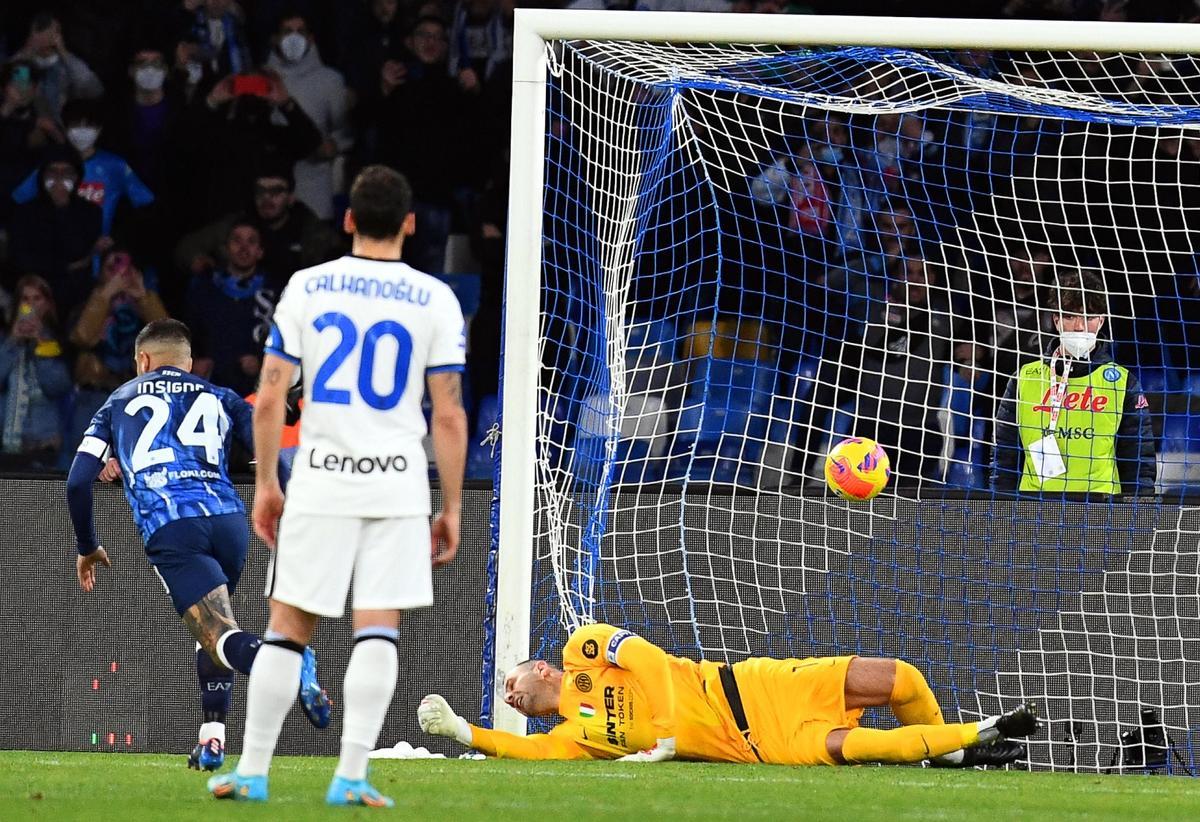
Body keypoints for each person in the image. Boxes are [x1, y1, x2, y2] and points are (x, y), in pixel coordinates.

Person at [208, 165, 468, 806]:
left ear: (348, 219)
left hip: (320, 478)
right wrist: (453, 506)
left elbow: (270, 395)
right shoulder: (435, 298)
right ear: (409, 224)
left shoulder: (307, 286)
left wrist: (267, 481)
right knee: (377, 628)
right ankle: (351, 775)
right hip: (398, 484)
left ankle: (252, 771)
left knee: (287, 627)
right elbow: (452, 413)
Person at [65, 319, 331, 773]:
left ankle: (289, 659)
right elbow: (268, 453)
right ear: (188, 364)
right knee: (211, 628)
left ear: (142, 361)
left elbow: (77, 482)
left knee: (219, 633)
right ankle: (212, 740)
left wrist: (88, 544)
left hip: (173, 527)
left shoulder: (117, 402)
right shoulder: (221, 396)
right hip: (229, 522)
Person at [417, 622, 1040, 767]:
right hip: (758, 745)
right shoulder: (573, 738)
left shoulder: (583, 650)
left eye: (512, 682)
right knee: (864, 745)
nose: (511, 694)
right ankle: (967, 739)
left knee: (898, 678)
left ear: (541, 670)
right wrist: (461, 732)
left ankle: (950, 753)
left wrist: (664, 729)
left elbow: (650, 659)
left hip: (753, 685)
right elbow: (526, 754)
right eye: (508, 698)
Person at [992, 269, 1157, 495]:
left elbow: (1138, 460)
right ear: (1056, 320)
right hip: (1035, 512)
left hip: (1102, 513)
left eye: (1088, 317)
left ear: (1101, 321)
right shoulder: (1024, 379)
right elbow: (1005, 459)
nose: (1079, 326)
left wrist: (1138, 516)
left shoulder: (1123, 382)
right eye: (1069, 316)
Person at [264, 10, 353, 221]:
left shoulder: (331, 80)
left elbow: (344, 131)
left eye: (300, 32)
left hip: (314, 184)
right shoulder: (260, 77)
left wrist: (333, 147)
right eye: (287, 32)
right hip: (269, 188)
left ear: (311, 38)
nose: (294, 38)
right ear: (275, 38)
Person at [186, 219, 276, 395]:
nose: (243, 247)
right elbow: (185, 332)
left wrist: (262, 362)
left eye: (251, 241)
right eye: (237, 240)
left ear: (260, 251)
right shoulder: (203, 287)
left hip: (256, 392)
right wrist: (192, 361)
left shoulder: (276, 292)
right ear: (226, 248)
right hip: (208, 390)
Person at [0, 274, 72, 469]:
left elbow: (57, 386)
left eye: (37, 298)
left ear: (47, 304)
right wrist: (12, 342)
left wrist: (40, 343)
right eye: (25, 299)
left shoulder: (57, 340)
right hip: (6, 447)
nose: (30, 305)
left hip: (44, 444)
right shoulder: (4, 341)